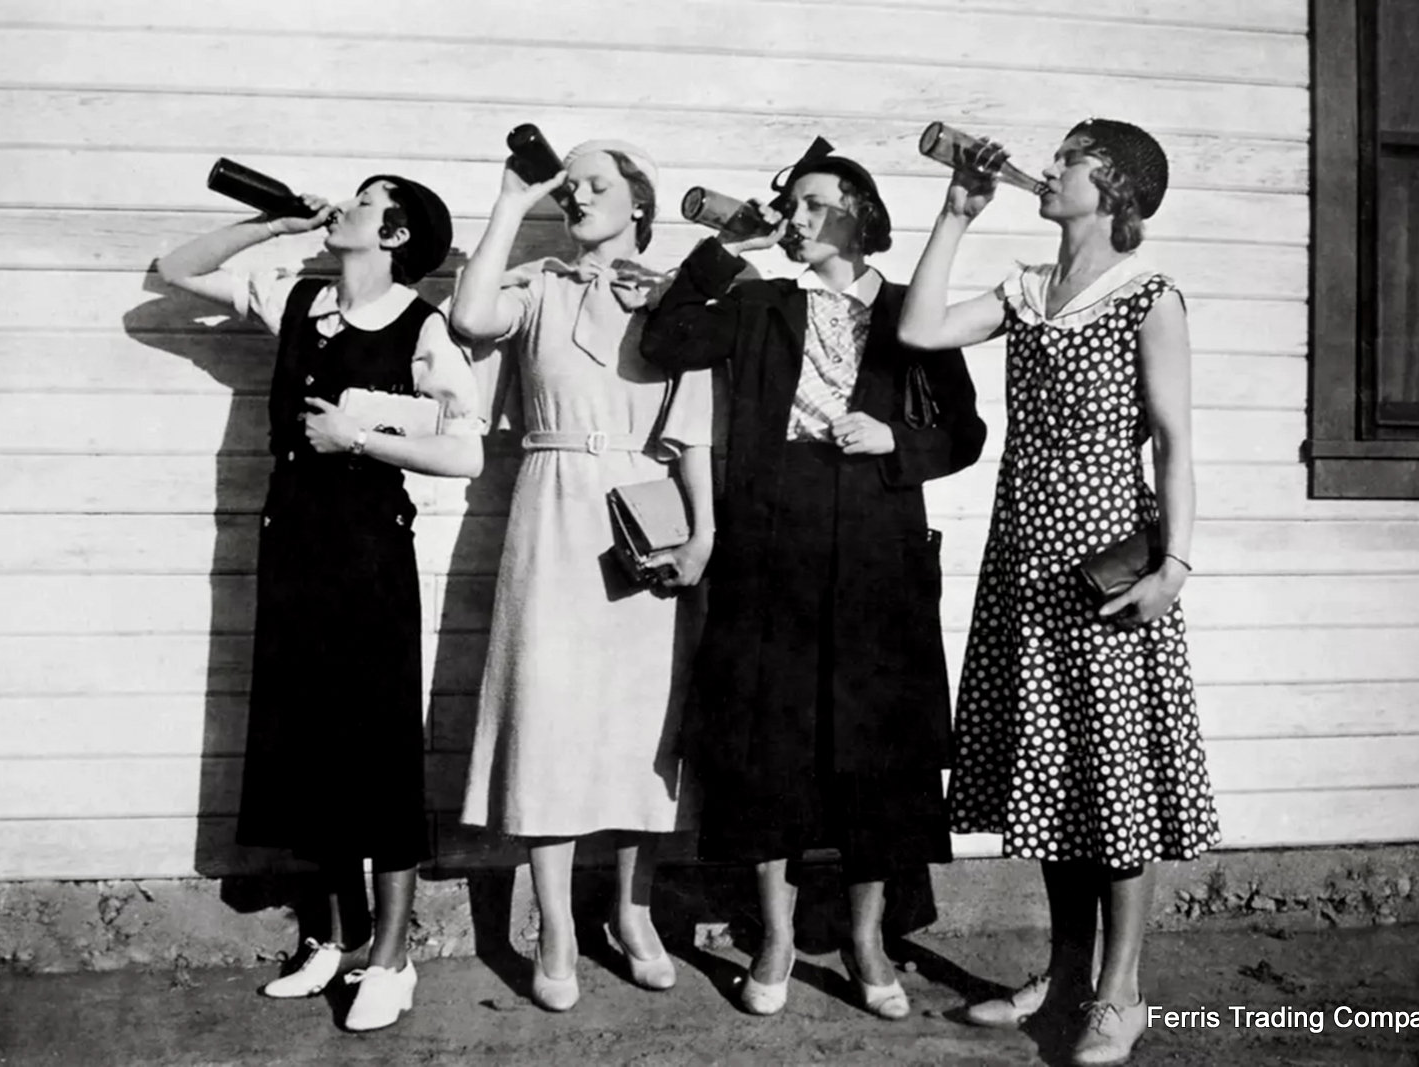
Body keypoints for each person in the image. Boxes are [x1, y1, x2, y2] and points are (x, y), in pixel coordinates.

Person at [897, 119, 1221, 1066]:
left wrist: (1175, 567)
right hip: (1024, 566)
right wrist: (956, 213)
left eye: (1071, 156)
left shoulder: (1148, 298)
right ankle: (1067, 972)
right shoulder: (1028, 291)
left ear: (1113, 185)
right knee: (1052, 777)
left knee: (1114, 782)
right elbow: (918, 330)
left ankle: (1122, 994)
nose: (1049, 165)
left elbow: (1174, 444)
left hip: (1108, 569)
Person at [639, 148, 987, 1020]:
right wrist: (729, 244)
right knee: (768, 742)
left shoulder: (913, 310)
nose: (793, 218)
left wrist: (898, 446)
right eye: (788, 206)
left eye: (809, 205)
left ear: (857, 214)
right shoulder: (760, 301)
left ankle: (869, 940)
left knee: (877, 751)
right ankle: (778, 937)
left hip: (877, 538)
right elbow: (665, 337)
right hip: (771, 535)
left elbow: (967, 431)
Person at [155, 173, 483, 1032]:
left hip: (370, 553)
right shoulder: (300, 298)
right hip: (291, 542)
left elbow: (467, 454)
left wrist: (360, 439)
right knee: (312, 739)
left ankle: (393, 957)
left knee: (377, 750)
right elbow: (178, 266)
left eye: (365, 201)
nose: (345, 205)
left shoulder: (421, 325)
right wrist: (274, 220)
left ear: (398, 232)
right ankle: (334, 938)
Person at [452, 139, 715, 1012]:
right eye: (572, 187)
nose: (580, 196)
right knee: (549, 711)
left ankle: (634, 911)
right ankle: (557, 925)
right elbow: (468, 316)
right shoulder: (539, 283)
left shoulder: (676, 289)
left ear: (642, 203)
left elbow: (697, 423)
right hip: (554, 501)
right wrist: (512, 200)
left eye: (599, 184)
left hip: (647, 500)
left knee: (646, 717)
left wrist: (702, 529)